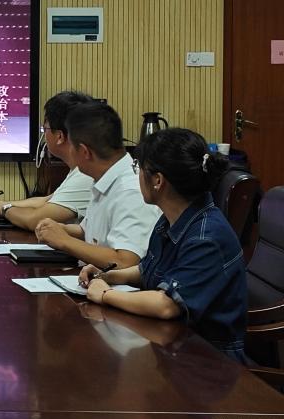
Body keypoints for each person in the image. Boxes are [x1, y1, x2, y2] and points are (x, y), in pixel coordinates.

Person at [78, 128, 247, 362]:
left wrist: (105, 295)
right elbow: (147, 269)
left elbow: (166, 305)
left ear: (158, 181)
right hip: (174, 347)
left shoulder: (206, 237)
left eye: (139, 167)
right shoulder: (172, 218)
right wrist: (107, 275)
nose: (137, 175)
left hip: (210, 360)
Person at [34, 102, 161, 269]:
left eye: (71, 146)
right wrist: (60, 229)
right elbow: (89, 232)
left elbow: (125, 261)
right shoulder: (104, 178)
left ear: (84, 152)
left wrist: (64, 241)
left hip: (113, 284)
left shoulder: (131, 191)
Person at [0, 90, 95, 230]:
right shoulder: (80, 169)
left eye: (45, 129)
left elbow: (35, 220)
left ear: (60, 136)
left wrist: (3, 209)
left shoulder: (85, 175)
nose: (44, 135)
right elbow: (45, 201)